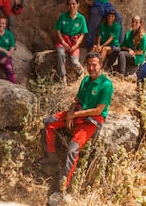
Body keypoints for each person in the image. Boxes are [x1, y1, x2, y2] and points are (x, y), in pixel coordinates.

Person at [38, 52, 113, 189]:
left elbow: (98, 110)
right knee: (48, 122)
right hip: (77, 114)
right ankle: (51, 157)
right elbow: (77, 100)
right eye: (88, 65)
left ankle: (62, 187)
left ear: (101, 65)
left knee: (73, 149)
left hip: (91, 121)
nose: (91, 68)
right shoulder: (85, 80)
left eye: (94, 65)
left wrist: (75, 114)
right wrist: (71, 113)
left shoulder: (106, 85)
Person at [54, 0, 88, 85]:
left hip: (74, 42)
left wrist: (76, 45)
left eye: (73, 4)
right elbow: (58, 30)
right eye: (69, 4)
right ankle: (62, 78)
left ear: (78, 5)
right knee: (61, 53)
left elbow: (83, 33)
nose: (71, 6)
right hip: (63, 41)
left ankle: (81, 72)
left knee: (73, 61)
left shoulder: (81, 18)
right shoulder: (63, 16)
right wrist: (63, 42)